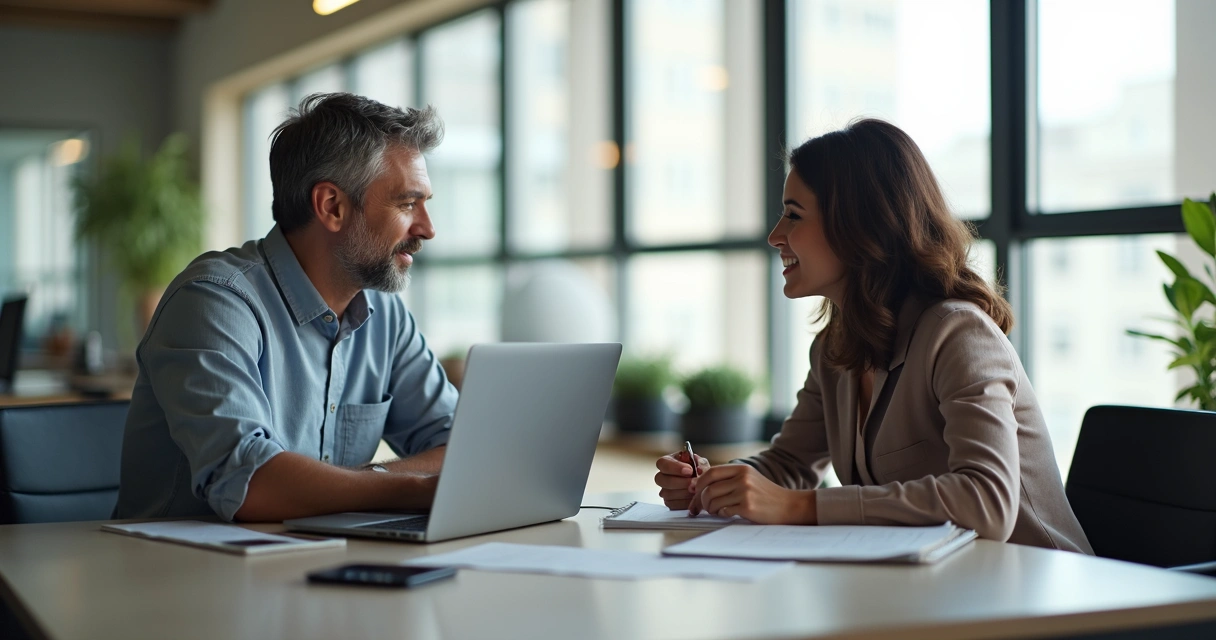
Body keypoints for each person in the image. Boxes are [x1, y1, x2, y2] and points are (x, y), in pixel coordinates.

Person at [654, 119, 1092, 553]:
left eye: (793, 215)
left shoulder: (958, 333)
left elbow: (986, 503)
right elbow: (789, 464)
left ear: (859, 225)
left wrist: (801, 507)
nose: (775, 236)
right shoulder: (834, 348)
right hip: (936, 591)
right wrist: (717, 484)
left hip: (1037, 596)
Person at [113, 93, 458, 522]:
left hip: (320, 562)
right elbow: (250, 485)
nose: (427, 228)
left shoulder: (384, 318)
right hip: (179, 577)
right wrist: (405, 489)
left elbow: (465, 449)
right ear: (332, 206)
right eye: (407, 203)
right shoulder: (213, 302)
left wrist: (357, 481)